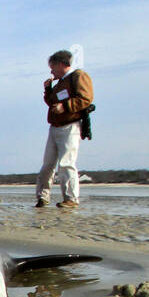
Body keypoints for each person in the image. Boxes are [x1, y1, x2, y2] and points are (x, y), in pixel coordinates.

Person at [35, 49, 93, 209]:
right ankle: (42, 197)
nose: (51, 71)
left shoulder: (79, 76)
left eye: (52, 66)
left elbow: (85, 98)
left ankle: (71, 199)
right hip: (55, 126)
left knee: (67, 162)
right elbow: (53, 103)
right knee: (48, 164)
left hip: (70, 125)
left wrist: (65, 106)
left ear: (61, 64)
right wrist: (48, 89)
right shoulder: (60, 82)